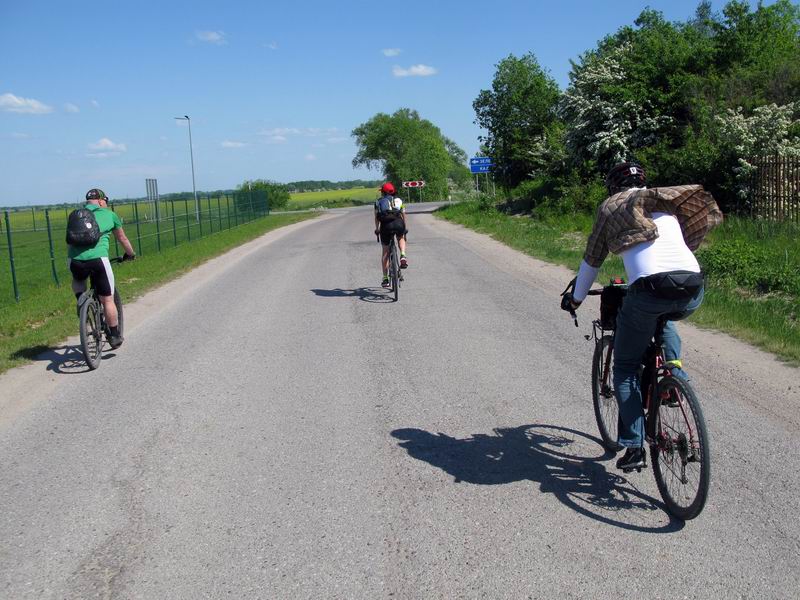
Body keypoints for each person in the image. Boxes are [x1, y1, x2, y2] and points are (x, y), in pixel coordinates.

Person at [560, 162, 722, 471]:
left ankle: (634, 447)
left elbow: (592, 261)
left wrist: (576, 298)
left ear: (613, 187)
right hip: (692, 285)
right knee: (667, 316)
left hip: (649, 287)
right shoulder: (663, 202)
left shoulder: (611, 208)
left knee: (623, 368)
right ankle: (674, 376)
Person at [68, 188, 136, 349]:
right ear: (100, 201)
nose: (106, 204)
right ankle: (113, 335)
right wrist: (131, 254)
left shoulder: (76, 215)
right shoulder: (110, 215)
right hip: (99, 261)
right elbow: (122, 238)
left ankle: (82, 302)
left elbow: (70, 241)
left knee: (78, 279)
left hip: (75, 261)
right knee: (107, 299)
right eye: (105, 201)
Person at [374, 182, 409, 288]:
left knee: (385, 251)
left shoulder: (378, 202)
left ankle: (385, 279)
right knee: (401, 237)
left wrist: (377, 229)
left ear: (383, 192)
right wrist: (404, 227)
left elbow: (376, 217)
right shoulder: (399, 200)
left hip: (386, 226)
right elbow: (403, 214)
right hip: (398, 223)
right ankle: (403, 255)